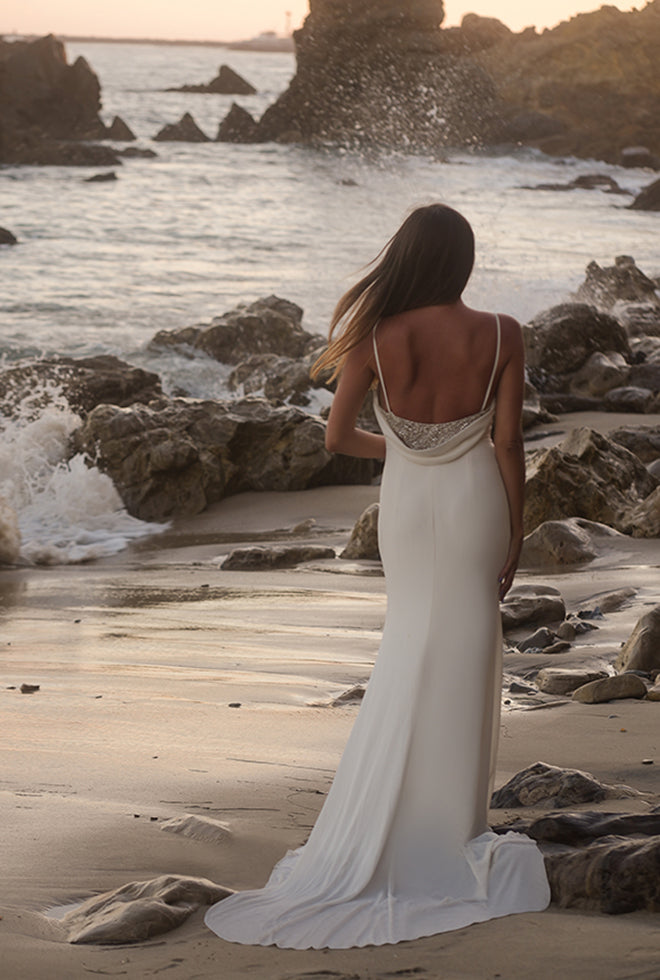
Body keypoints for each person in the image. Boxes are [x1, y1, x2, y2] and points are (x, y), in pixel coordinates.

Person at [204, 203, 550, 949]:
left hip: (407, 503)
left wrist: (405, 450)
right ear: (461, 262)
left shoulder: (374, 336)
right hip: (473, 501)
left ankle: (391, 818)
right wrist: (516, 530)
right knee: (467, 644)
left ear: (407, 258)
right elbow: (509, 441)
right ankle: (454, 826)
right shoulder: (501, 333)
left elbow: (336, 437)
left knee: (409, 641)